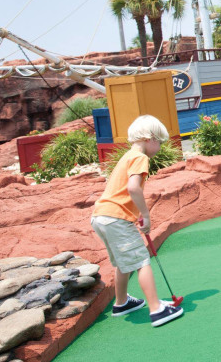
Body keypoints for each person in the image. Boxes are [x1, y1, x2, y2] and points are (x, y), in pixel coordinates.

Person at [91, 115, 184, 327]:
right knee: (141, 261)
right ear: (150, 138)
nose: (160, 147)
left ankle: (122, 302)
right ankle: (157, 309)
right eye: (159, 142)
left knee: (124, 263)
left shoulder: (128, 156)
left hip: (101, 216)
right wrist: (146, 214)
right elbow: (133, 188)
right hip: (116, 218)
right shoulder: (141, 158)